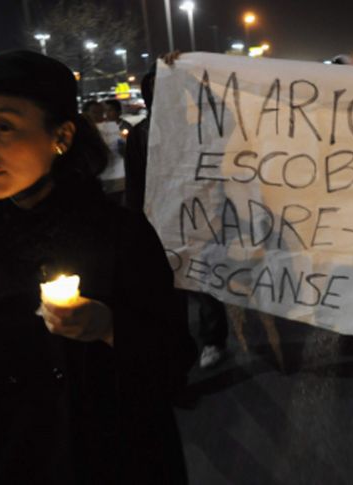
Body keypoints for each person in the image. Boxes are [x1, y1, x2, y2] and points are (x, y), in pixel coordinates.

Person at [0, 50, 197, 484]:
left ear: (62, 136)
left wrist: (109, 326)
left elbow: (174, 361)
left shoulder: (123, 235)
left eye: (4, 127)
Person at [125, 56, 229, 369]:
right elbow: (135, 181)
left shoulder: (201, 128)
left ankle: (213, 339)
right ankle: (180, 346)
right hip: (159, 222)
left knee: (203, 283)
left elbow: (229, 114)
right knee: (168, 290)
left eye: (171, 88)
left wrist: (187, 75)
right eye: (157, 88)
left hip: (200, 218)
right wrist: (135, 223)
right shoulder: (141, 134)